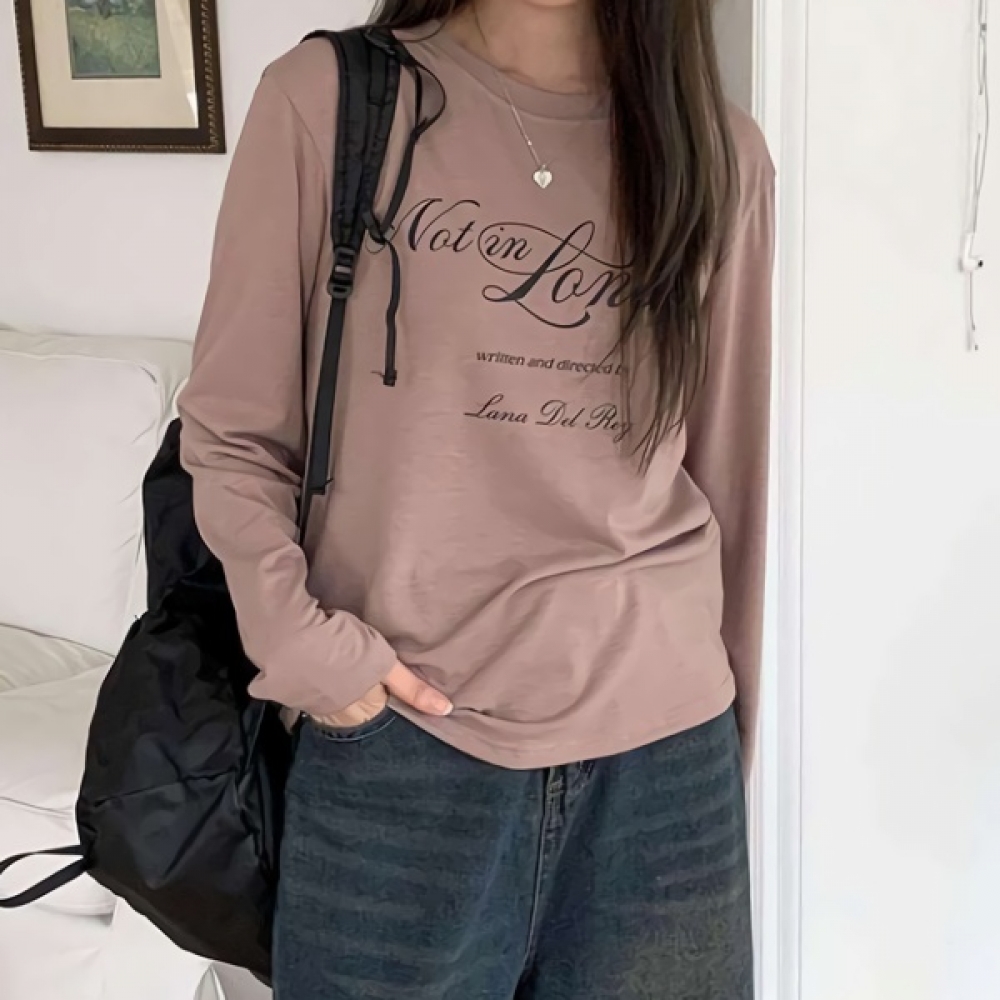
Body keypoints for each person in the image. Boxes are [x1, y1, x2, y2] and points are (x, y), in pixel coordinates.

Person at [178, 0, 775, 996]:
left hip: (665, 766)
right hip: (401, 747)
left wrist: (724, 733)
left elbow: (731, 478)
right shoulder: (328, 104)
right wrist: (307, 650)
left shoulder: (717, 152)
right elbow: (234, 430)